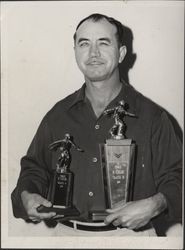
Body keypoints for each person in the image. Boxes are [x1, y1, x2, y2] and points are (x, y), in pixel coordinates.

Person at [11, 13, 182, 236]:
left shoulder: (153, 117)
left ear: (121, 53)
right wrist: (27, 194)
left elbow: (178, 176)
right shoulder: (57, 116)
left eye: (103, 43)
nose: (93, 53)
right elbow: (33, 169)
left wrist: (156, 204)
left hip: (132, 237)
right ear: (75, 52)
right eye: (84, 44)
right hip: (67, 236)